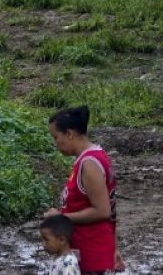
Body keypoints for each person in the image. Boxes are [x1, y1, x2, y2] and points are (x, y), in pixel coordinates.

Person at [45, 106, 117, 275]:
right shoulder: (90, 158)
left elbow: (103, 211)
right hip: (91, 253)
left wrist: (61, 217)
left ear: (69, 134)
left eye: (56, 137)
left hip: (92, 255)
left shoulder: (89, 164)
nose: (56, 143)